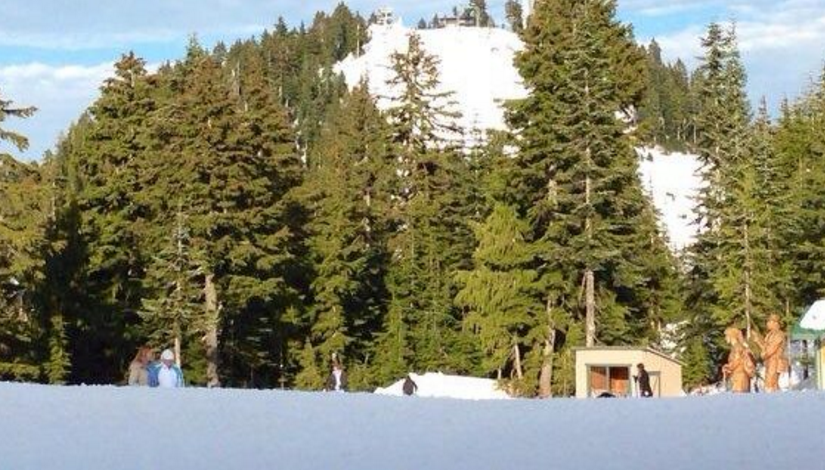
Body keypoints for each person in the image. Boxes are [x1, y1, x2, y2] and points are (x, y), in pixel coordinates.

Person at [760, 314, 789, 393]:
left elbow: (772, 348)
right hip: (770, 361)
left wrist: (764, 354)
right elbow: (766, 347)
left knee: (771, 382)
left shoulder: (779, 334)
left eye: (769, 322)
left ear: (775, 323)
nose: (767, 324)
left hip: (775, 361)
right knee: (768, 382)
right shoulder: (769, 334)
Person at [722, 327, 755, 393]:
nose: (725, 338)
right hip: (737, 376)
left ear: (731, 336)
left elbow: (736, 361)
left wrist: (727, 367)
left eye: (727, 336)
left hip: (739, 376)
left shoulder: (737, 347)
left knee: (739, 397)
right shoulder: (736, 347)